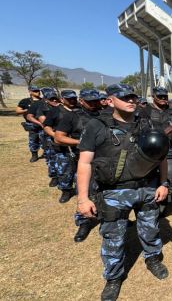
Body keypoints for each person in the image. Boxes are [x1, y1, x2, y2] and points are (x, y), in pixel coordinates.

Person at [76, 83, 169, 300]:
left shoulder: (146, 124)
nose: (131, 101)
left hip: (146, 188)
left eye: (133, 98)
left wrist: (163, 183)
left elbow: (161, 155)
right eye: (124, 97)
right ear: (109, 101)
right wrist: (82, 198)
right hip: (112, 193)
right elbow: (84, 163)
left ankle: (153, 259)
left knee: (150, 229)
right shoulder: (96, 126)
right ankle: (114, 277)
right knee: (113, 237)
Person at [55, 89, 102, 242]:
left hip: (107, 161)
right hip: (85, 162)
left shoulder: (106, 114)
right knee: (84, 193)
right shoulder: (72, 116)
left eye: (96, 100)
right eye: (90, 101)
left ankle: (112, 217)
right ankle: (84, 222)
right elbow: (59, 138)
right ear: (81, 101)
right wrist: (82, 143)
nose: (95, 104)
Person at [43, 90, 78, 198]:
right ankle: (66, 190)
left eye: (74, 98)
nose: (72, 101)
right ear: (62, 100)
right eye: (69, 99)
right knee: (64, 170)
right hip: (62, 147)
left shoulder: (81, 110)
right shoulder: (55, 111)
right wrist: (56, 136)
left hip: (78, 146)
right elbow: (46, 126)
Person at [29, 88, 60, 182]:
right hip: (48, 136)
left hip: (61, 134)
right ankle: (54, 176)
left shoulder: (62, 107)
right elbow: (45, 122)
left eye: (55, 98)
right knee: (50, 156)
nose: (54, 100)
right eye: (51, 99)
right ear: (46, 100)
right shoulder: (42, 108)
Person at [17, 86, 43, 162]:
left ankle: (46, 153)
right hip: (32, 125)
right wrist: (28, 110)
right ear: (30, 92)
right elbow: (18, 111)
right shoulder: (25, 101)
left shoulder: (44, 101)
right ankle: (34, 155)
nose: (37, 92)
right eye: (35, 91)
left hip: (43, 124)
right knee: (33, 140)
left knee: (45, 140)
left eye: (38, 90)